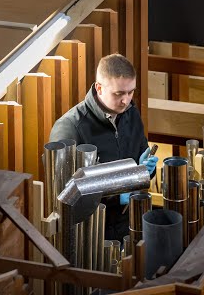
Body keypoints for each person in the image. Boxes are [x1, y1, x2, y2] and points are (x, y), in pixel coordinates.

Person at [49, 54, 159, 242]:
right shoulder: (69, 128)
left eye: (130, 92)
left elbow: (142, 160)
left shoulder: (130, 114)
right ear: (99, 88)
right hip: (92, 235)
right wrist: (117, 196)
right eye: (119, 94)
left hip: (127, 223)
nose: (126, 100)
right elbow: (66, 195)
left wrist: (146, 170)